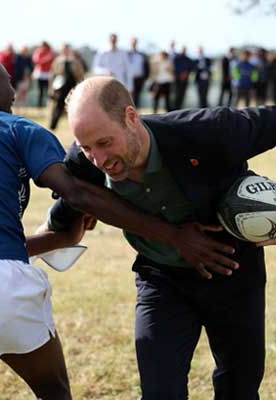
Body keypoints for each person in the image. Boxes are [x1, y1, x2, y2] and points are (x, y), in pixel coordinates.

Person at [0, 49, 239, 400]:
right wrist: (171, 234)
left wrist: (65, 236)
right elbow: (76, 192)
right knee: (54, 392)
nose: (14, 92)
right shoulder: (15, 126)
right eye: (9, 82)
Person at [50, 76, 275, 399]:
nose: (98, 159)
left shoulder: (212, 131)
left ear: (131, 117)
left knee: (239, 388)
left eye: (104, 143)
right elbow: (64, 214)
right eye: (86, 148)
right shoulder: (84, 164)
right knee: (160, 391)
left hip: (235, 273)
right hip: (162, 279)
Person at [49, 44, 85, 129]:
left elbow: (80, 75)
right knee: (58, 106)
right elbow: (53, 75)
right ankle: (53, 125)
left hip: (72, 86)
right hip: (60, 87)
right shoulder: (58, 61)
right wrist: (51, 88)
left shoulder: (75, 61)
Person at [32, 41, 56, 108]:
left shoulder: (50, 52)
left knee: (49, 91)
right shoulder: (38, 52)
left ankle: (49, 106)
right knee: (40, 91)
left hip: (48, 74)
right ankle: (39, 106)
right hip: (40, 74)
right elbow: (36, 61)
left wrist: (46, 59)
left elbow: (53, 59)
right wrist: (46, 59)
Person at [127, 37, 149, 108]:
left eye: (135, 42)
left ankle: (136, 111)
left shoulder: (141, 55)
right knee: (128, 96)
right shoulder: (126, 54)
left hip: (139, 78)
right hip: (129, 78)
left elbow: (146, 66)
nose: (134, 43)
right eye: (133, 42)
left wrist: (145, 77)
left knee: (137, 96)